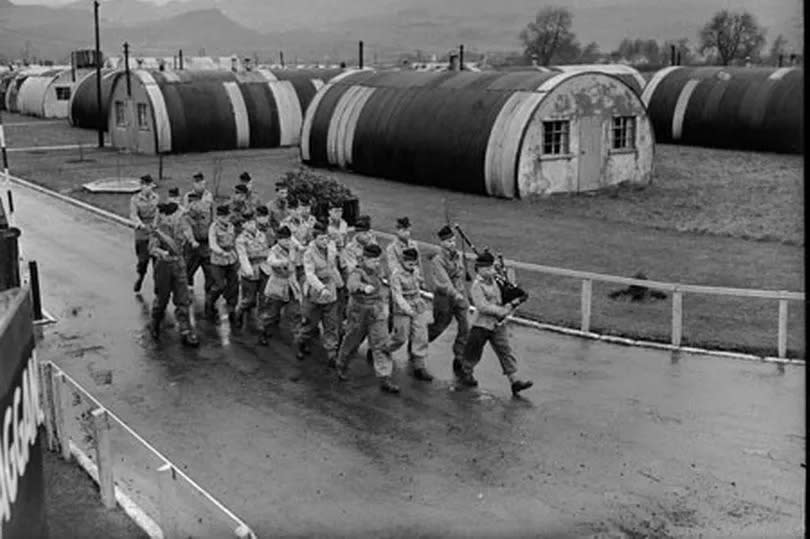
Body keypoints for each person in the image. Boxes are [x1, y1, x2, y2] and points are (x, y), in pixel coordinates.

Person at [458, 252, 533, 396]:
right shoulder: (476, 286)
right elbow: (482, 306)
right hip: (481, 324)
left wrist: (516, 297)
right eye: (486, 269)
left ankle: (514, 381)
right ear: (478, 270)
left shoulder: (496, 281)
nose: (489, 271)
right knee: (474, 350)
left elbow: (504, 295)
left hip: (497, 325)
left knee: (504, 350)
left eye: (491, 268)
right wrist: (503, 310)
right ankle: (466, 372)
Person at [335, 243, 399, 394]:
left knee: (381, 343)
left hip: (376, 310)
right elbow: (351, 285)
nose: (377, 264)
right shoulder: (357, 271)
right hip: (359, 311)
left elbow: (384, 282)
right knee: (353, 340)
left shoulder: (378, 270)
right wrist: (363, 288)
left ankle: (385, 377)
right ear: (364, 259)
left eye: (378, 260)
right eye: (373, 261)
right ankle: (341, 363)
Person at [148, 202, 199, 347]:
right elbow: (152, 247)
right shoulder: (159, 230)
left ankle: (185, 331)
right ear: (166, 216)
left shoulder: (181, 226)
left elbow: (188, 233)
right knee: (162, 299)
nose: (177, 217)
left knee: (183, 299)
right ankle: (155, 323)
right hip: (164, 266)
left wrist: (192, 241)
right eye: (175, 215)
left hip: (179, 264)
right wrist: (161, 252)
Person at [296, 221, 342, 365]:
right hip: (315, 293)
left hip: (331, 289)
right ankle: (301, 343)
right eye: (321, 238)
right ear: (314, 238)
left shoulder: (331, 248)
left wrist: (340, 284)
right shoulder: (308, 253)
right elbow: (310, 275)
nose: (325, 241)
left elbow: (333, 266)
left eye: (326, 238)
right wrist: (321, 288)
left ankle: (331, 354)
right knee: (310, 324)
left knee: (331, 325)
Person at [427, 225, 470, 375]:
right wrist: (454, 293)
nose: (452, 243)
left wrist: (462, 294)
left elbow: (459, 275)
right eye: (449, 241)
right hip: (444, 297)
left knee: (465, 326)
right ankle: (419, 341)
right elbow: (444, 281)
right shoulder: (438, 260)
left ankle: (460, 356)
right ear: (441, 242)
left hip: (459, 295)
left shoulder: (456, 255)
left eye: (453, 240)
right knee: (439, 327)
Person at [387, 247, 433, 381]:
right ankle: (383, 350)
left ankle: (419, 366)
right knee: (400, 337)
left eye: (414, 263)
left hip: (417, 304)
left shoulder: (415, 271)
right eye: (409, 263)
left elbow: (417, 285)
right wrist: (408, 310)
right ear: (402, 261)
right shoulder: (396, 275)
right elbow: (397, 296)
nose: (412, 266)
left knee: (421, 335)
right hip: (402, 308)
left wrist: (422, 289)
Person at [258, 226, 302, 346]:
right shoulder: (274, 250)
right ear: (278, 239)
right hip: (277, 286)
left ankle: (300, 342)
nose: (287, 242)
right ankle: (263, 331)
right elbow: (271, 261)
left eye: (288, 239)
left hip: (292, 285)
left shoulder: (294, 247)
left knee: (296, 313)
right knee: (272, 313)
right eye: (284, 240)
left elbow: (301, 254)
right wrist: (283, 262)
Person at [234, 210, 270, 334]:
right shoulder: (240, 239)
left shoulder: (262, 235)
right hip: (250, 271)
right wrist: (248, 269)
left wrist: (260, 255)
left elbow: (267, 251)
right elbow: (243, 256)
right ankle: (239, 312)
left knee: (264, 297)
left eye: (252, 222)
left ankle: (262, 322)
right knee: (249, 299)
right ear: (243, 225)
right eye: (247, 223)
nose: (251, 225)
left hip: (264, 269)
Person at [206, 204, 240, 326]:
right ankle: (210, 304)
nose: (227, 218)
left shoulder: (231, 226)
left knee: (233, 287)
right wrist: (221, 252)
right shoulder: (213, 227)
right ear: (219, 216)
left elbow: (234, 241)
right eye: (224, 216)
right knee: (220, 286)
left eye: (227, 216)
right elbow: (212, 244)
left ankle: (232, 312)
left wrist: (236, 256)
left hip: (231, 259)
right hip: (218, 260)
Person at [183, 172, 215, 294]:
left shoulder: (208, 195)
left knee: (209, 269)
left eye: (202, 183)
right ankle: (188, 288)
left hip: (205, 238)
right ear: (194, 184)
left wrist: (194, 207)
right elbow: (187, 215)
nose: (201, 185)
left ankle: (209, 292)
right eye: (198, 183)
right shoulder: (187, 196)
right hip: (193, 238)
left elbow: (204, 209)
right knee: (189, 267)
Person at [130, 174, 160, 293]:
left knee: (157, 261)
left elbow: (158, 212)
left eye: (150, 186)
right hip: (142, 233)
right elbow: (133, 215)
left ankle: (157, 285)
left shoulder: (156, 197)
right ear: (142, 186)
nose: (149, 188)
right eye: (147, 186)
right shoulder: (135, 199)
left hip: (154, 232)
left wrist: (156, 224)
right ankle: (140, 277)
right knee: (143, 261)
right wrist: (140, 225)